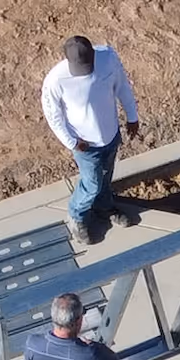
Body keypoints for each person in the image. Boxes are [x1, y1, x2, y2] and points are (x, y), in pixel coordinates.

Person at [43, 35, 144, 246]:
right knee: (92, 183)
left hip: (110, 135)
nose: (86, 71)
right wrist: (71, 142)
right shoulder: (56, 80)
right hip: (85, 144)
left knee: (106, 175)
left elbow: (122, 86)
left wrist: (132, 117)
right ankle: (76, 216)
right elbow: (54, 116)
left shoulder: (108, 58)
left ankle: (104, 206)